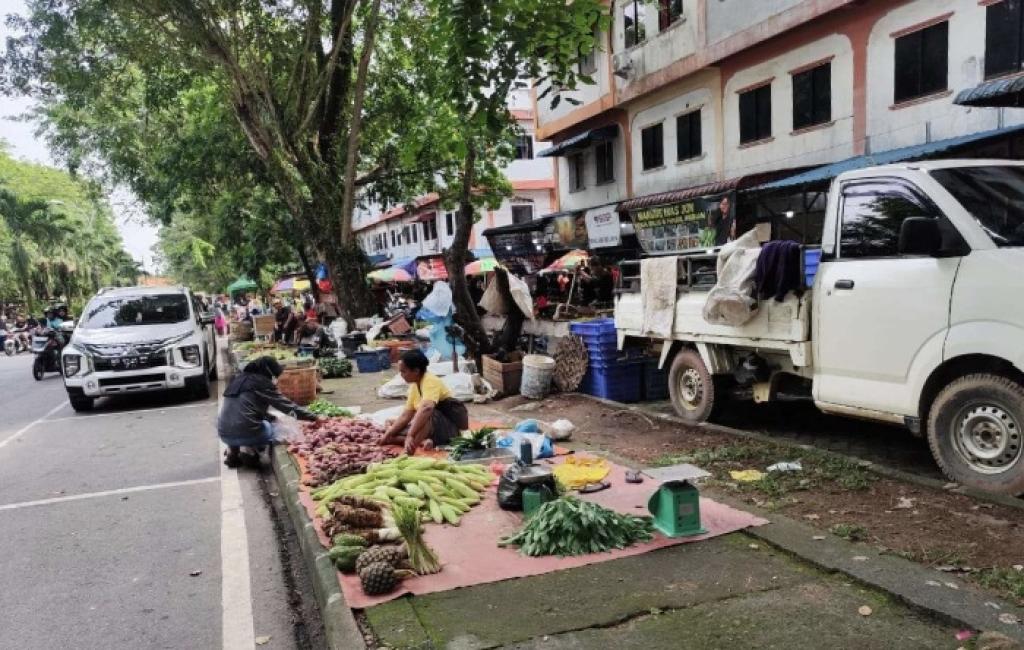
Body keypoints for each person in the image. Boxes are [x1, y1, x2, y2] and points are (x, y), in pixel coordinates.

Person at [217, 356, 320, 468]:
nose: (275, 379)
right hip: (249, 434)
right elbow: (287, 407)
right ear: (268, 372)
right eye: (275, 376)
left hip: (224, 434)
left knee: (236, 419)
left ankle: (233, 452)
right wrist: (314, 417)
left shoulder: (237, 380)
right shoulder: (262, 383)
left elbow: (248, 409)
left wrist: (270, 417)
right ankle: (253, 450)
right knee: (273, 427)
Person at [379, 350, 469, 453]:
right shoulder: (414, 385)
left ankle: (411, 449)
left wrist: (410, 435)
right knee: (391, 430)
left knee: (426, 412)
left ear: (416, 371)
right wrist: (388, 434)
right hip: (429, 429)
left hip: (447, 429)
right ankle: (424, 441)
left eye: (404, 371)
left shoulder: (430, 381)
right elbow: (406, 415)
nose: (401, 375)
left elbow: (427, 408)